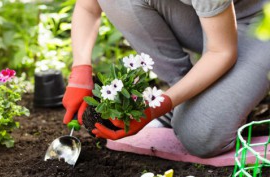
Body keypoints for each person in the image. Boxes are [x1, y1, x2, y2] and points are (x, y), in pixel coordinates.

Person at [62, 0, 270, 158]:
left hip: (260, 24)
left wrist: (155, 108)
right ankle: (184, 95)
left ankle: (195, 102)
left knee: (200, 135)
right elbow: (89, 6)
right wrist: (79, 72)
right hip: (213, 20)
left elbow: (221, 52)